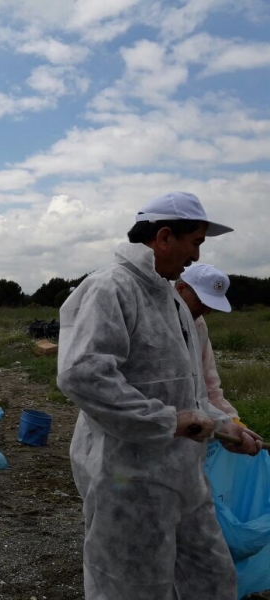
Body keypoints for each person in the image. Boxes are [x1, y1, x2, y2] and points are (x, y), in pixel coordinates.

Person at [57, 191, 263, 600]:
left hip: (184, 477)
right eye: (196, 242)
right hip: (128, 480)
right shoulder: (111, 288)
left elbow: (188, 392)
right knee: (133, 587)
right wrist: (168, 422)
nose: (195, 255)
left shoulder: (172, 300)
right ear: (165, 237)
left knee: (212, 579)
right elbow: (83, 374)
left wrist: (226, 428)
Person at [175, 263, 240, 419]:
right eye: (202, 302)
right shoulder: (153, 319)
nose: (207, 311)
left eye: (211, 305)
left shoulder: (199, 324)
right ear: (181, 289)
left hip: (192, 423)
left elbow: (209, 383)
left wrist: (232, 419)